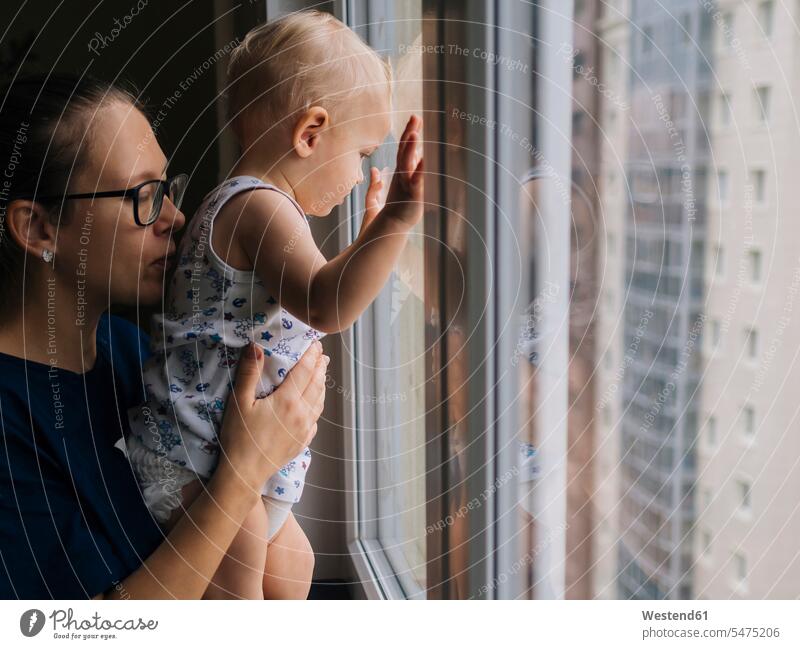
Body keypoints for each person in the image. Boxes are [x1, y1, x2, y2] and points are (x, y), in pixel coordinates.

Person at [125, 9, 424, 599]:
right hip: (201, 464)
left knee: (295, 574)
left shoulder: (246, 204)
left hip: (233, 460)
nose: (359, 173)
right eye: (361, 153)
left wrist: (369, 238)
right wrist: (397, 221)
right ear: (310, 133)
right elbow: (325, 303)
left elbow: (312, 294)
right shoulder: (259, 208)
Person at [0, 74, 327, 599]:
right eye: (144, 197)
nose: (175, 217)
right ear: (38, 229)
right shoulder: (11, 419)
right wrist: (246, 468)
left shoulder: (131, 350)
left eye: (168, 190)